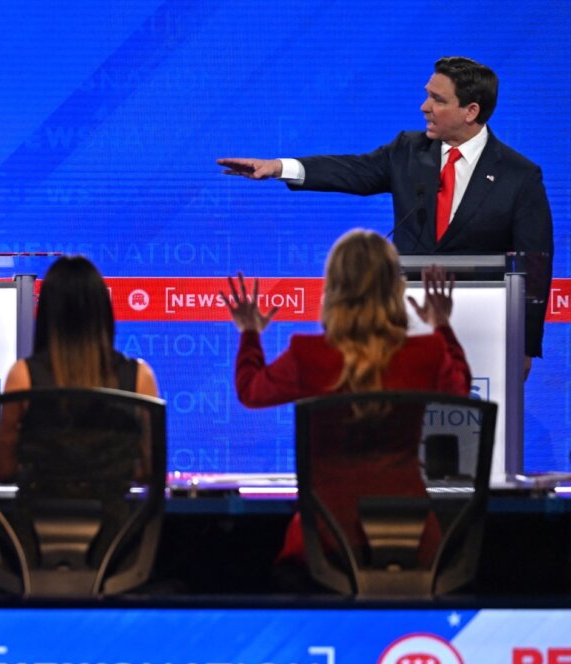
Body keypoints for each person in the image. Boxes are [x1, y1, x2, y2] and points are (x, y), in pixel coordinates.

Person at [217, 56, 553, 373]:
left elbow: (534, 263)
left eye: (437, 99)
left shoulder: (518, 176)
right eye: (427, 96)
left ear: (471, 111)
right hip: (403, 326)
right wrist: (277, 167)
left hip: (480, 331)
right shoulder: (409, 150)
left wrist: (524, 346)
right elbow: (352, 170)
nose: (425, 107)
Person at [223, 229, 471, 578]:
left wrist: (249, 332)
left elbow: (250, 391)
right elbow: (461, 390)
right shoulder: (427, 353)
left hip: (327, 546)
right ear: (394, 288)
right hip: (413, 541)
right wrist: (441, 325)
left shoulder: (306, 355)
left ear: (333, 289)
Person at [0, 255, 159, 481]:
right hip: (117, 516)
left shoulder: (22, 376)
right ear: (103, 310)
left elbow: (4, 470)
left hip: (39, 515)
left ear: (45, 312)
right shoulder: (140, 377)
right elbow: (152, 469)